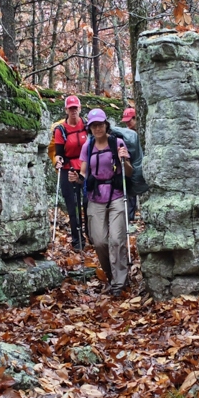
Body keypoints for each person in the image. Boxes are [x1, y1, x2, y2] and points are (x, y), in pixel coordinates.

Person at [80, 108, 133, 293]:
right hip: (95, 197)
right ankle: (112, 276)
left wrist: (124, 160)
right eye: (94, 126)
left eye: (100, 124)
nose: (97, 128)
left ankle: (119, 282)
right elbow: (83, 172)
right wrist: (76, 177)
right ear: (90, 128)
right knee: (100, 241)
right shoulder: (88, 146)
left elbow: (129, 172)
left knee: (116, 240)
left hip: (117, 195)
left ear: (106, 124)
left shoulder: (117, 143)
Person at [54, 95, 88, 250]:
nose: (73, 111)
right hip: (68, 169)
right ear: (66, 110)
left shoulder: (87, 126)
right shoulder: (60, 130)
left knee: (88, 203)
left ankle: (91, 234)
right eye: (71, 108)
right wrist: (57, 160)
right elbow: (59, 152)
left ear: (80, 108)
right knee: (72, 205)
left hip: (86, 168)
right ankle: (77, 239)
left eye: (76, 108)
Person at [111, 107, 147, 221]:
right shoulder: (127, 135)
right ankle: (130, 217)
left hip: (143, 167)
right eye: (126, 122)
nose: (128, 124)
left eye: (129, 121)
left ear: (136, 119)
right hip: (130, 168)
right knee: (130, 193)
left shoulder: (141, 133)